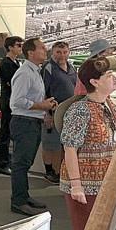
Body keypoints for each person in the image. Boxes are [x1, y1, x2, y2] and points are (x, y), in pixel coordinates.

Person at [59, 59, 116, 230]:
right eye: (108, 76)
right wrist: (76, 185)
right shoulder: (80, 110)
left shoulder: (109, 106)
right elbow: (70, 148)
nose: (114, 79)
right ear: (94, 82)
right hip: (85, 186)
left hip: (103, 183)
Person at [9, 38, 58, 216]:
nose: (46, 50)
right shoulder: (25, 73)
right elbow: (17, 101)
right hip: (24, 122)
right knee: (21, 163)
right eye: (42, 48)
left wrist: (44, 108)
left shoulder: (35, 71)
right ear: (31, 52)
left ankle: (23, 196)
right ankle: (18, 201)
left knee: (25, 162)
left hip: (32, 121)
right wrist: (41, 106)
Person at [40, 41, 77, 183]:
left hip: (69, 112)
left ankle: (61, 171)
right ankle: (50, 171)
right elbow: (42, 91)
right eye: (58, 52)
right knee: (51, 143)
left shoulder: (71, 67)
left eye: (65, 52)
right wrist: (47, 113)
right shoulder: (48, 68)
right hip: (53, 111)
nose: (62, 55)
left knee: (65, 144)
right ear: (53, 53)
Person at [0, 36, 23, 175]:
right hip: (8, 101)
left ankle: (8, 160)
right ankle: (2, 162)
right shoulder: (6, 63)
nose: (20, 48)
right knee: (5, 132)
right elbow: (11, 82)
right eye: (18, 45)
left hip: (14, 100)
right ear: (10, 47)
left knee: (10, 132)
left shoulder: (17, 62)